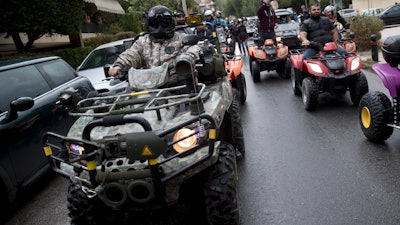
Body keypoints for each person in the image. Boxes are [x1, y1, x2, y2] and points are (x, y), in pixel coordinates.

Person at [108, 5, 202, 86]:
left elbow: (194, 48)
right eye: (155, 24)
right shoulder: (142, 42)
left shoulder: (182, 39)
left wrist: (186, 59)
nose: (160, 28)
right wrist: (119, 65)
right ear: (149, 24)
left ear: (171, 22)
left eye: (164, 23)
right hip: (148, 86)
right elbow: (132, 54)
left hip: (177, 85)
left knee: (189, 100)